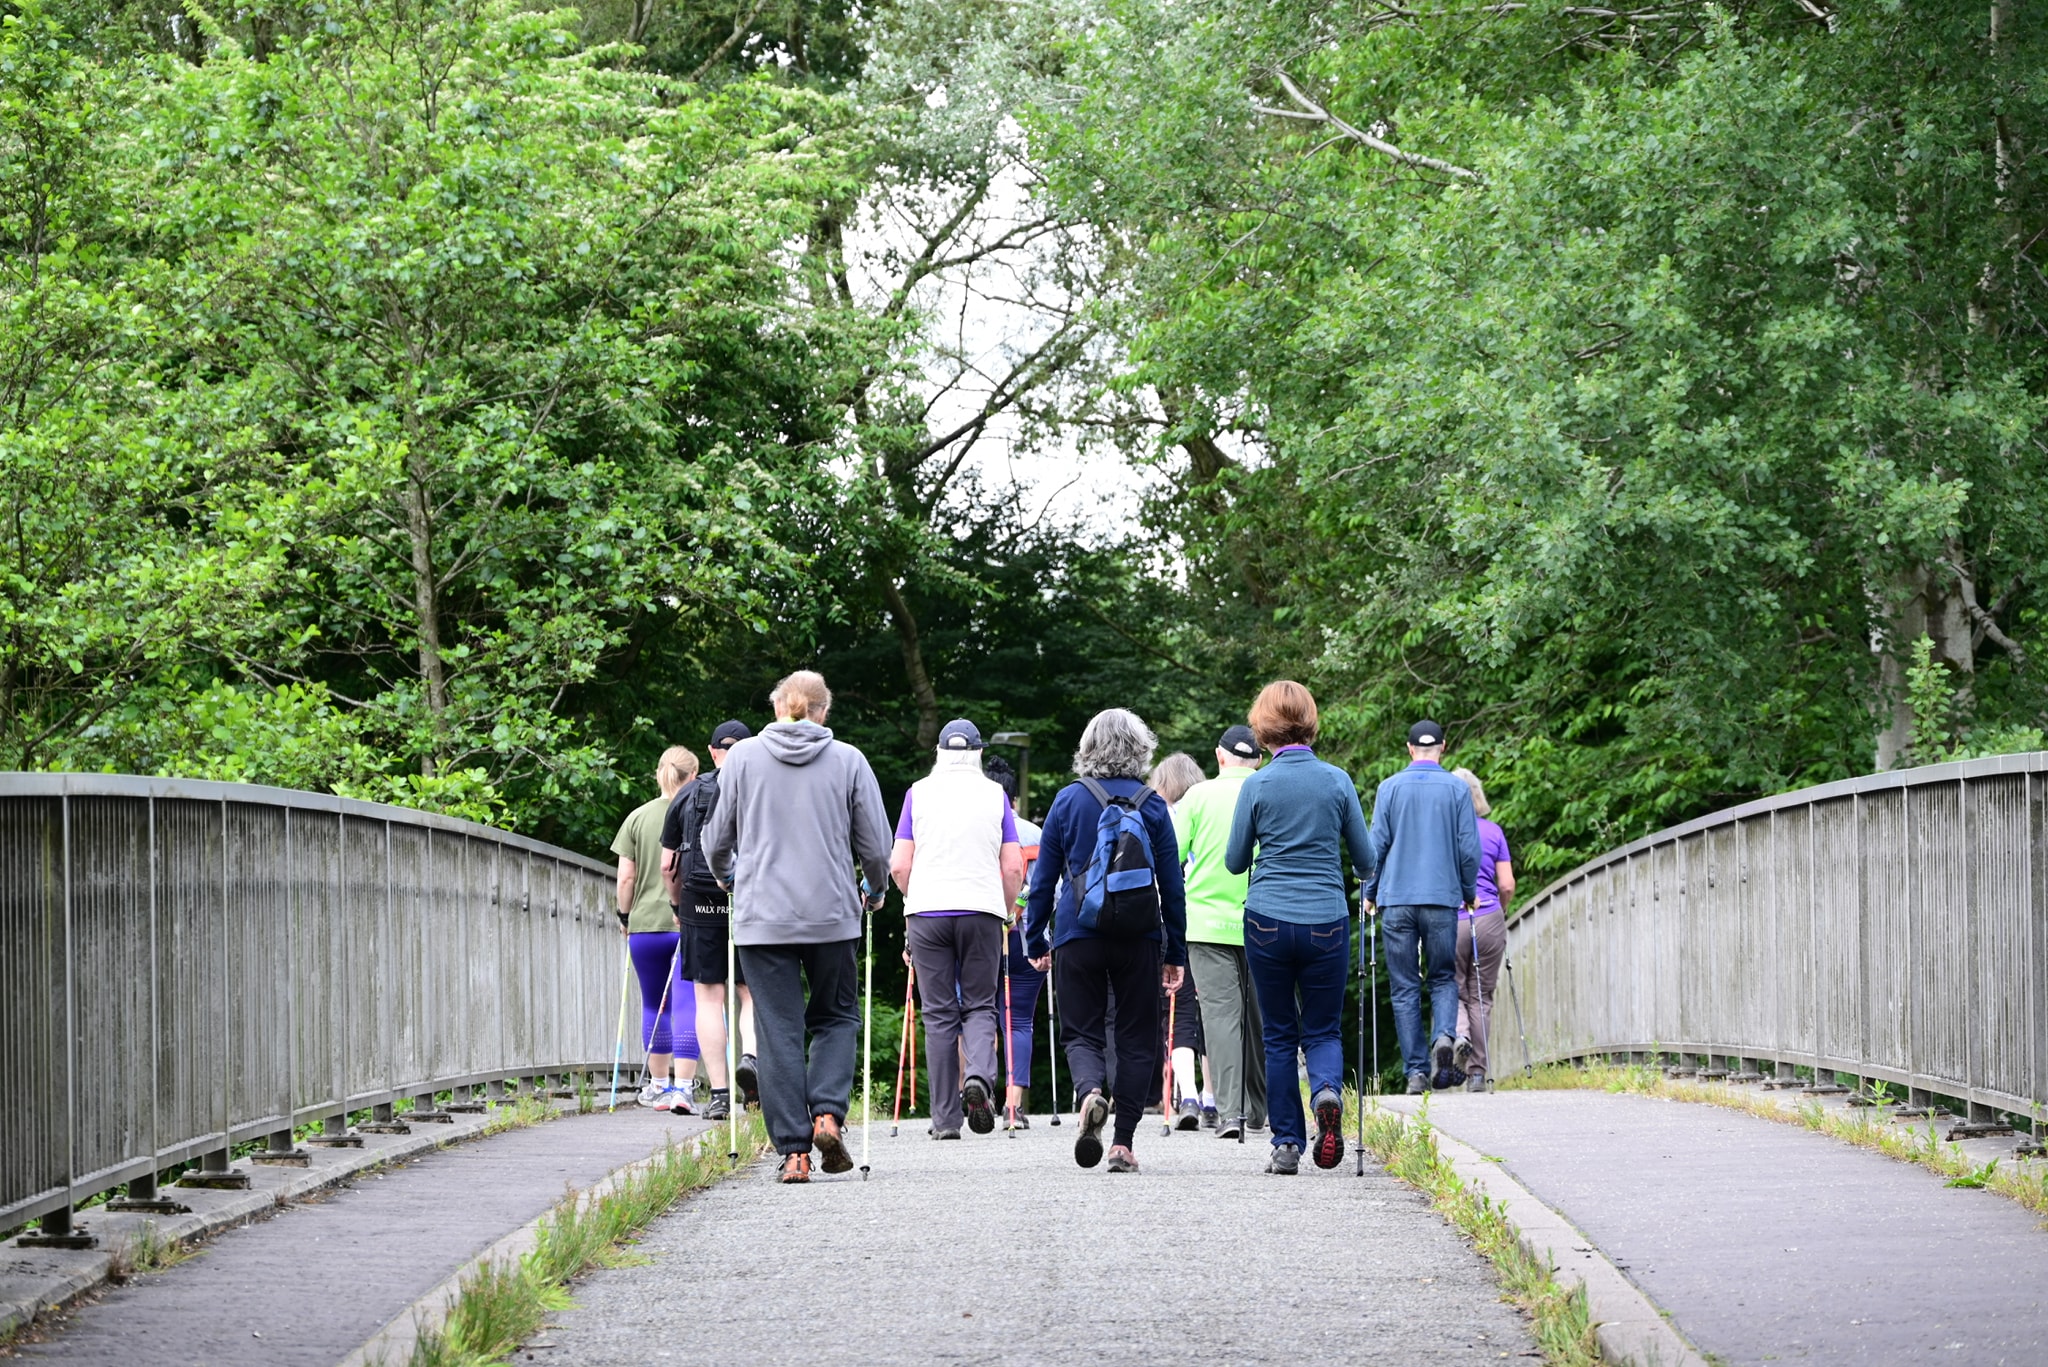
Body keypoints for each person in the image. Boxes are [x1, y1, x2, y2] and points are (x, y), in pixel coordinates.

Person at [704, 671, 892, 1184]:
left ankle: (795, 1153)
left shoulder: (740, 759)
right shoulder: (849, 760)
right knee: (835, 1016)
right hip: (832, 914)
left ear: (776, 708)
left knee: (777, 1028)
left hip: (763, 918)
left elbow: (716, 837)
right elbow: (876, 846)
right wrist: (874, 890)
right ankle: (827, 1114)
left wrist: (727, 877)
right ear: (821, 711)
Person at [1024, 708, 1187, 1174]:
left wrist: (1036, 937)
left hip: (1078, 933)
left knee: (1081, 1031)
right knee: (1137, 1039)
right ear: (1141, 749)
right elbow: (1172, 885)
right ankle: (1122, 1144)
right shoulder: (1153, 805)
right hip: (1139, 935)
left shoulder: (1068, 801)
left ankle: (1091, 1091)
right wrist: (1174, 951)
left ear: (1088, 749)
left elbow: (1045, 881)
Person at [1224, 683, 1374, 1174]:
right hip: (1326, 918)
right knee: (1324, 1027)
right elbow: (1367, 860)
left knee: (1279, 1035)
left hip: (1267, 918)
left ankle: (1287, 1144)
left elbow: (1233, 862)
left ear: (1264, 727)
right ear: (1309, 722)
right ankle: (1327, 1092)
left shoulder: (1256, 785)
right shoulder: (1336, 781)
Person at [890, 720, 1025, 1139]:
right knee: (981, 1006)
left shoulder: (918, 793)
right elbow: (1014, 865)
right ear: (979, 752)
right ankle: (980, 1079)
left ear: (939, 752)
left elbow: (898, 864)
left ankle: (945, 1119)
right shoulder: (996, 795)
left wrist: (915, 901)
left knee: (939, 1015)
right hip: (982, 910)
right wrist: (1003, 910)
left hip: (927, 913)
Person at [1364, 720, 1481, 1096]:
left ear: (1410, 749)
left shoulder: (1389, 788)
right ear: (1442, 748)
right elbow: (1468, 848)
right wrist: (1467, 890)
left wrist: (1369, 890)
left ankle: (1415, 1072)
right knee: (1443, 977)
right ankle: (1444, 1038)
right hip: (1442, 897)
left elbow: (1376, 844)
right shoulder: (1457, 789)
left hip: (1396, 898)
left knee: (1403, 987)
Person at [1173, 725, 1267, 1140]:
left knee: (1220, 1019)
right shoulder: (1269, 789)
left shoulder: (1197, 796)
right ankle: (1262, 1108)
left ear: (1220, 755)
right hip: (1266, 919)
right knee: (1263, 1018)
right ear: (1258, 760)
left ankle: (1231, 1114)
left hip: (1207, 923)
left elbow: (1172, 858)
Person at [662, 719, 757, 1122]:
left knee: (709, 997)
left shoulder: (688, 794)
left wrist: (677, 907)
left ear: (713, 751)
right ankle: (751, 1063)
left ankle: (719, 1094)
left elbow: (669, 865)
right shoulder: (761, 789)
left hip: (700, 903)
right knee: (751, 994)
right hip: (751, 899)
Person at [610, 746, 702, 1113]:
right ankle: (684, 1088)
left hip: (645, 927)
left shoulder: (637, 818)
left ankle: (658, 1086)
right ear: (693, 776)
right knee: (687, 1002)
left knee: (654, 1003)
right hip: (687, 921)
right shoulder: (697, 813)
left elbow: (626, 876)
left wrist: (624, 915)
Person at [1149, 752, 1208, 1129]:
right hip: (1204, 923)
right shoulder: (1207, 811)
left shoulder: (1157, 816)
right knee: (1202, 1016)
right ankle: (1205, 1096)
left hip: (1159, 922)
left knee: (1171, 1012)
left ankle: (1178, 1094)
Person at [986, 756, 1042, 1127]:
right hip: (1024, 938)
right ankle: (1013, 1107)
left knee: (975, 1017)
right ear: (1014, 800)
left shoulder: (972, 832)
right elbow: (1045, 888)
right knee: (1019, 1021)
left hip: (980, 937)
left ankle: (977, 1094)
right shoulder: (1034, 835)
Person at [1450, 768, 1514, 1092]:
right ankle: (1477, 1073)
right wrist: (1500, 911)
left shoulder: (1442, 835)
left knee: (1453, 988)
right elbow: (1507, 884)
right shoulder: (1494, 832)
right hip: (1488, 917)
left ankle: (1459, 1034)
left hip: (1452, 919)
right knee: (1481, 996)